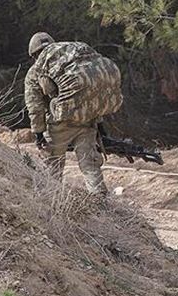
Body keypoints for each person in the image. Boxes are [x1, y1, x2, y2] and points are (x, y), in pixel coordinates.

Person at [24, 32, 123, 197]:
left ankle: (52, 199)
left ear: (34, 55)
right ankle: (100, 199)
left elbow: (35, 105)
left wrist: (38, 132)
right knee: (90, 164)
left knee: (52, 164)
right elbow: (90, 94)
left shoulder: (36, 71)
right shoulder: (73, 61)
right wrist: (99, 124)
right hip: (86, 121)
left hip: (60, 124)